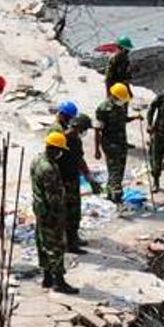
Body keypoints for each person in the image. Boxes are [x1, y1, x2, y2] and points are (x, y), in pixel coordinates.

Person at [33, 131, 78, 294]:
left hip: (39, 209)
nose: (60, 153)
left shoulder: (37, 160)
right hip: (51, 213)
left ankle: (47, 277)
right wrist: (61, 216)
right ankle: (59, 281)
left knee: (43, 243)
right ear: (53, 148)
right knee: (56, 246)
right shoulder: (49, 168)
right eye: (59, 150)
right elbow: (54, 198)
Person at [63, 114, 102, 252]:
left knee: (74, 212)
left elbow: (80, 160)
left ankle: (73, 238)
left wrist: (90, 179)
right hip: (62, 182)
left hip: (73, 180)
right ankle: (68, 243)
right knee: (65, 213)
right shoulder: (61, 139)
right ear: (78, 127)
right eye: (84, 129)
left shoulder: (76, 141)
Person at [95, 83, 135, 203]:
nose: (122, 101)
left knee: (120, 169)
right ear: (113, 96)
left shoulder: (120, 105)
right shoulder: (103, 109)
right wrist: (97, 150)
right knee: (114, 170)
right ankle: (116, 197)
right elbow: (97, 130)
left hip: (122, 142)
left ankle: (110, 192)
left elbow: (123, 119)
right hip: (110, 143)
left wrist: (134, 117)